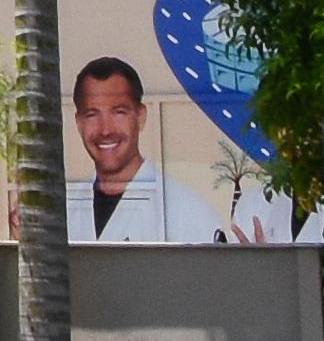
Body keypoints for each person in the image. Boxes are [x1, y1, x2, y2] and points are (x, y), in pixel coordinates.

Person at [65, 54, 215, 241]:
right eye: (92, 114)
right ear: (79, 123)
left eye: (119, 112)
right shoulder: (63, 210)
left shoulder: (186, 210)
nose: (105, 130)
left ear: (141, 117)